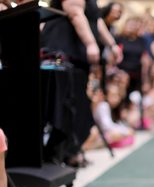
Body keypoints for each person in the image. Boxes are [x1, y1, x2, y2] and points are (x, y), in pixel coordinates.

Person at [41, 0, 121, 166]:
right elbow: (75, 13)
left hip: (77, 58)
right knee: (66, 106)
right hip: (64, 52)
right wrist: (90, 43)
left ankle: (70, 151)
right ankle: (58, 155)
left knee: (80, 106)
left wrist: (112, 45)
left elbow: (96, 21)